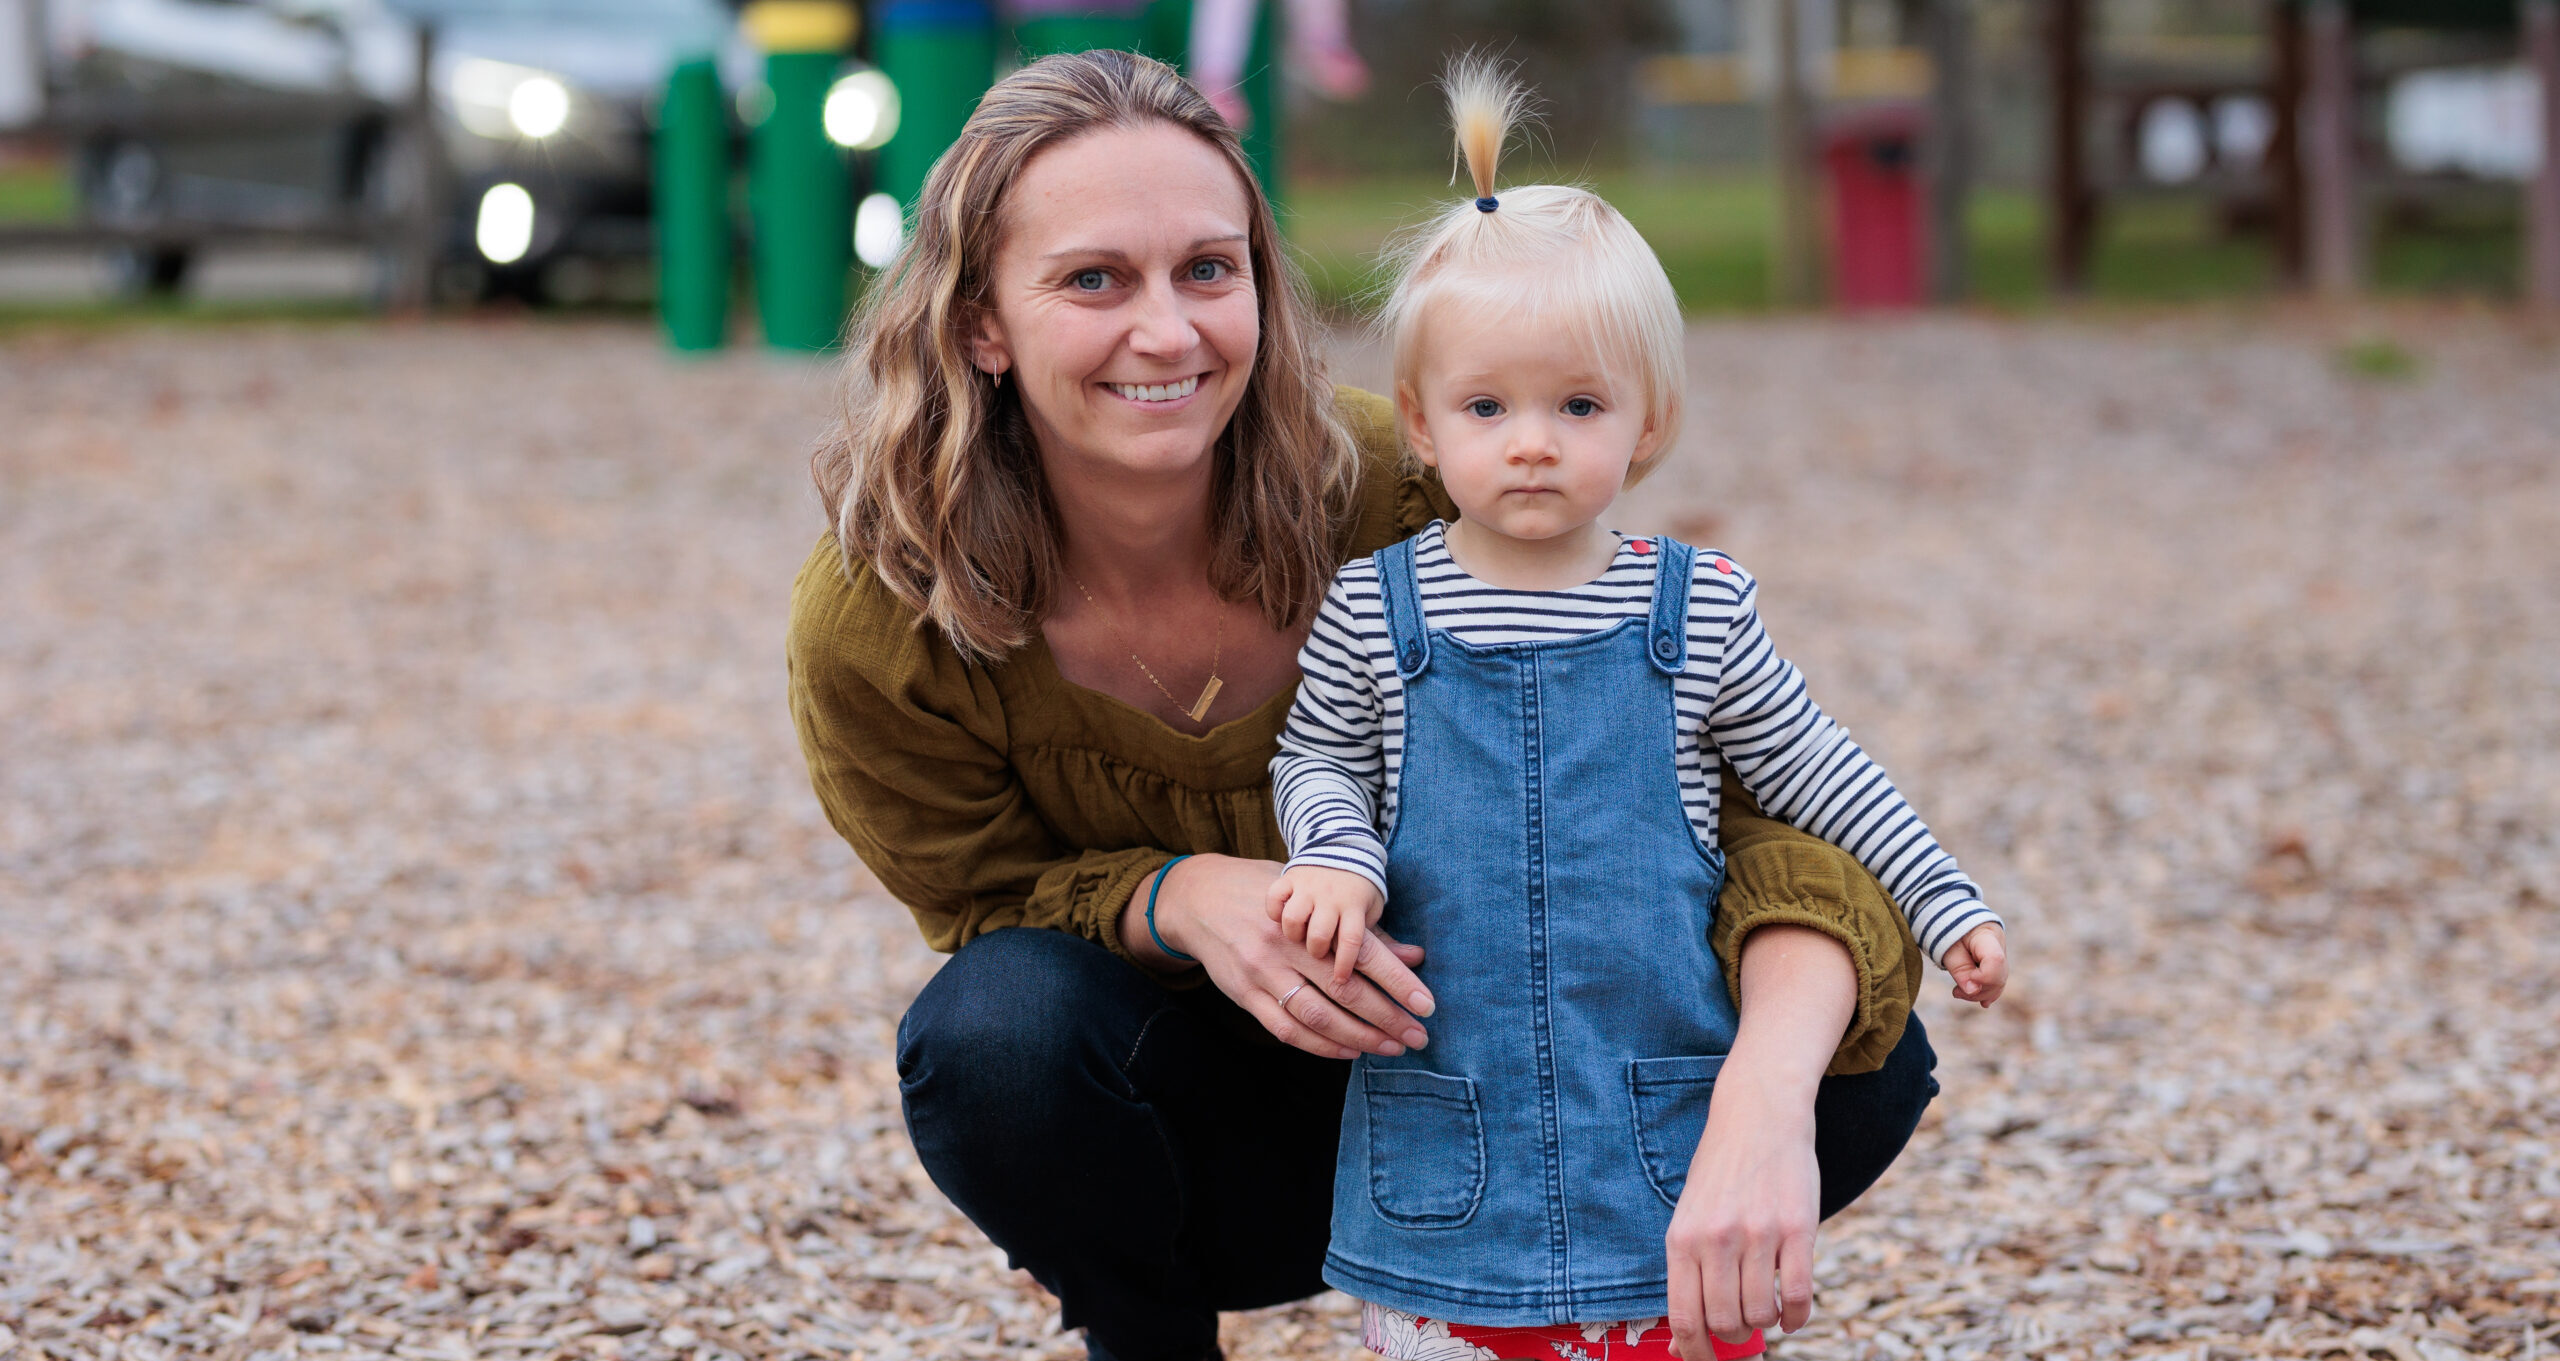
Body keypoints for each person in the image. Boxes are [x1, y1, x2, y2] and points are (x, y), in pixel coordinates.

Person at [786, 49, 1946, 1361]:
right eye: (1094, 279)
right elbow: (983, 901)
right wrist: (1183, 896)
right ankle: (1150, 1338)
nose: (1168, 331)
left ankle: (1576, 1300)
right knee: (992, 1039)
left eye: (1208, 271)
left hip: (1520, 1085)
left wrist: (1761, 1106)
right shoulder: (888, 613)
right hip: (1202, 1139)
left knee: (1860, 1054)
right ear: (981, 322)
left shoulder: (1423, 488)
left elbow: (1742, 828)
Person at [1261, 61, 2009, 1361]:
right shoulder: (1380, 610)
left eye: (1578, 406)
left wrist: (1947, 903)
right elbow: (1316, 750)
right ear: (1423, 431)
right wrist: (1334, 849)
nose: (1534, 441)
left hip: (1656, 1135)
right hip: (1452, 1126)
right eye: (1489, 407)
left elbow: (1819, 773)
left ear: (1648, 421)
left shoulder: (1698, 611)